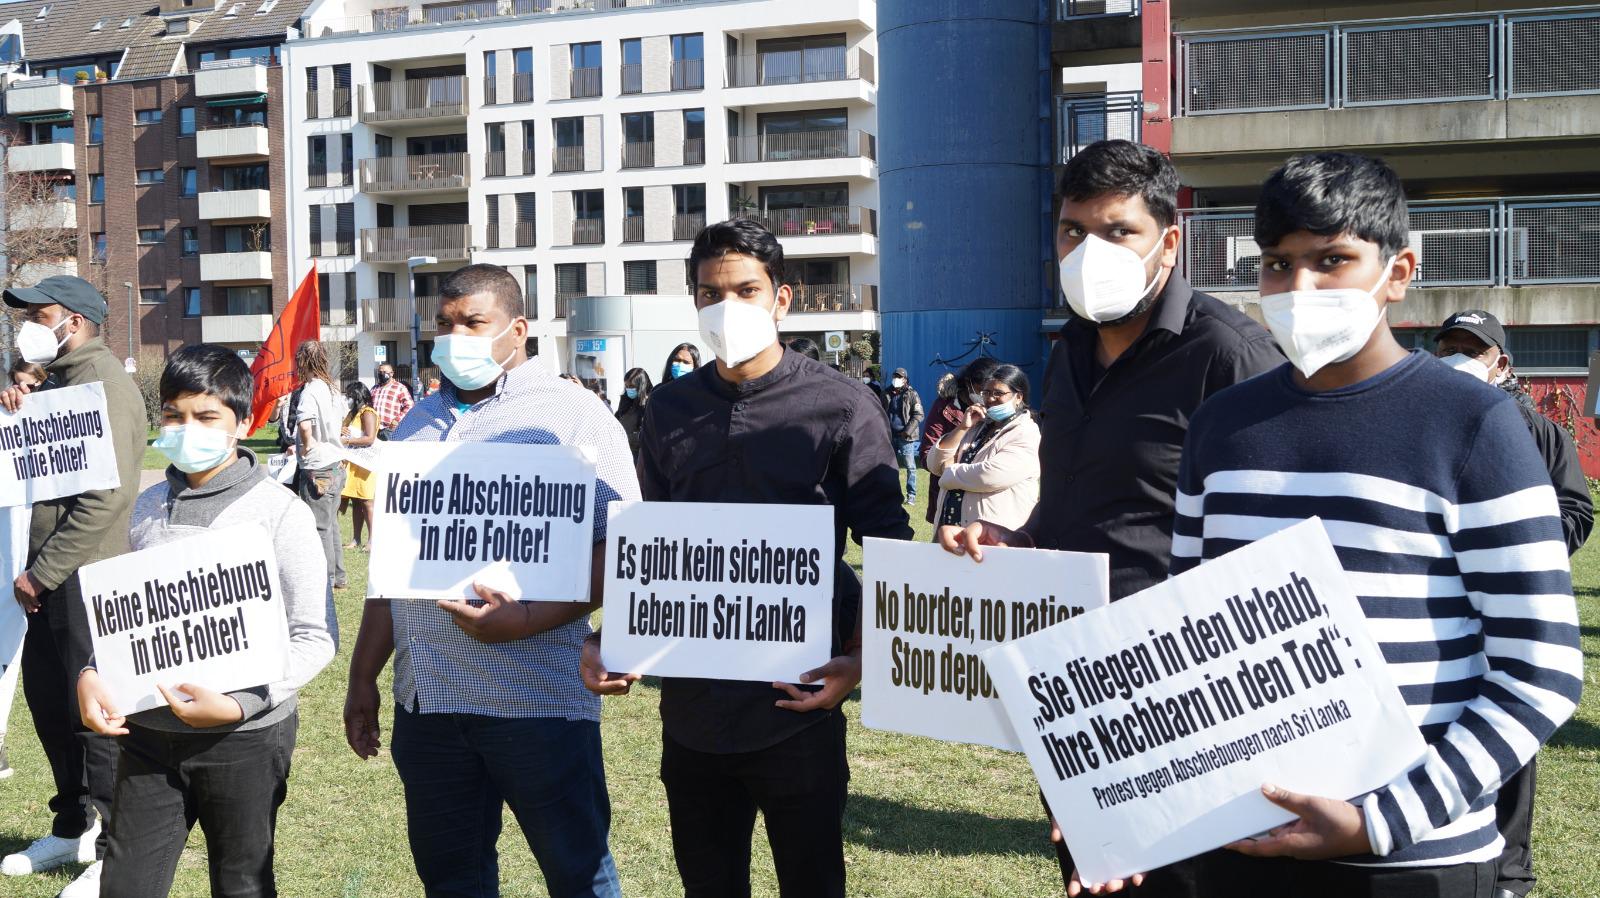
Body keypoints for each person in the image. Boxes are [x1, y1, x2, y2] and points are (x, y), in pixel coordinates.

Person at [1117, 152, 1585, 898]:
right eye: (1278, 263)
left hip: (1415, 863)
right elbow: (1187, 645)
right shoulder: (1220, 426)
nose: (1299, 287)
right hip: (1240, 844)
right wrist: (1122, 800)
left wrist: (1378, 822)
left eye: (1331, 259)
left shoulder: (1474, 425)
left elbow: (1542, 670)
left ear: (1398, 273)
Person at [937, 139, 1283, 894]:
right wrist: (1016, 538)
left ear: (1169, 241)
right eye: (1073, 230)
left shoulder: (1231, 355)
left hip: (1186, 705)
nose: (1090, 250)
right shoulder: (1069, 349)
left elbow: (1275, 558)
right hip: (1077, 687)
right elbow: (1076, 501)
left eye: (1118, 230)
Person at [582, 219, 912, 898]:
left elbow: (889, 548)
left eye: (745, 290)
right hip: (693, 712)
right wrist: (613, 638)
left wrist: (860, 659)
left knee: (812, 885)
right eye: (710, 293)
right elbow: (655, 544)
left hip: (799, 703)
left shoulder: (842, 404)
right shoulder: (669, 407)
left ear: (781, 298)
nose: (726, 306)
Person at [342, 263, 638, 898]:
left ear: (518, 330)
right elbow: (393, 566)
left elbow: (622, 547)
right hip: (428, 706)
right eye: (445, 324)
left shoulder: (574, 417)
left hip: (537, 701)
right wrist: (364, 676)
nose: (455, 338)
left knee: (580, 877)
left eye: (473, 323)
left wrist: (526, 619)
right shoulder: (417, 423)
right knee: (453, 881)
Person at [76, 344, 335, 898]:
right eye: (174, 415)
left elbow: (314, 637)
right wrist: (94, 671)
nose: (186, 428)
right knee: (126, 884)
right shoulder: (148, 504)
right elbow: (130, 611)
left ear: (242, 423)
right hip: (148, 733)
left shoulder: (280, 513)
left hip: (244, 739)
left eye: (206, 416)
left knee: (241, 882)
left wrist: (241, 703)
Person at [1432, 309, 1592, 898]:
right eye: (1448, 346)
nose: (1457, 357)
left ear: (1501, 364)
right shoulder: (1415, 417)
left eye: (1471, 349)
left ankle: (1508, 873)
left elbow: (1575, 509)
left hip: (1507, 607)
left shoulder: (1537, 429)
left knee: (1508, 725)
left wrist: (1519, 552)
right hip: (1435, 610)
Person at [0, 276, 147, 896]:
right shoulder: (56, 385)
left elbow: (105, 500)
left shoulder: (104, 385)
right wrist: (16, 401)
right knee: (50, 706)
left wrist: (43, 570)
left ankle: (113, 852)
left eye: (39, 315)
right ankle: (72, 824)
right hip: (44, 579)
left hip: (83, 577)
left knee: (95, 718)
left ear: (76, 322)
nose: (26, 327)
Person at [926, 364, 1040, 532]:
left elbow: (990, 475)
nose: (990, 399)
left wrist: (948, 471)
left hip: (992, 537)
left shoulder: (1026, 432)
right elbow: (933, 463)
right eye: (986, 393)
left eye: (998, 393)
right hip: (950, 531)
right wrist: (962, 428)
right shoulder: (978, 425)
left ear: (1018, 397)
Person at [919, 359, 999, 527]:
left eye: (994, 392)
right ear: (969, 384)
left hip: (985, 504)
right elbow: (927, 456)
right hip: (948, 497)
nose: (988, 397)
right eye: (983, 391)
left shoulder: (996, 409)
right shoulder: (944, 407)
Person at [339, 381, 378, 552]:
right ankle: (356, 538)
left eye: (350, 396)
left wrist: (348, 440)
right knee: (355, 500)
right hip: (353, 462)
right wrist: (342, 430)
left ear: (358, 396)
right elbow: (342, 429)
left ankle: (372, 540)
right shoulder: (352, 413)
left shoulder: (368, 412)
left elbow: (370, 438)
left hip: (365, 464)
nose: (347, 399)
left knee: (367, 501)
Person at [885, 367, 925, 506]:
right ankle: (892, 494)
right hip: (890, 435)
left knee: (910, 466)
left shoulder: (912, 394)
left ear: (905, 380)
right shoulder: (886, 393)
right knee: (888, 466)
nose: (896, 379)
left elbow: (919, 414)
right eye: (894, 376)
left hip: (906, 437)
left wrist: (907, 431)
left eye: (899, 377)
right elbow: (880, 411)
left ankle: (911, 495)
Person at [613, 367, 652, 458]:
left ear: (641, 386)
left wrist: (624, 437)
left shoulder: (649, 403)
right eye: (626, 386)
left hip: (639, 455)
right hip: (622, 451)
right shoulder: (625, 401)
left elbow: (648, 434)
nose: (628, 389)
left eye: (631, 386)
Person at [370, 362, 414, 438]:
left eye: (384, 372)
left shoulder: (400, 388)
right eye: (380, 372)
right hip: (374, 428)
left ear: (391, 374)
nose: (381, 374)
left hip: (389, 429)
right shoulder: (374, 388)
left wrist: (397, 420)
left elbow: (410, 405)